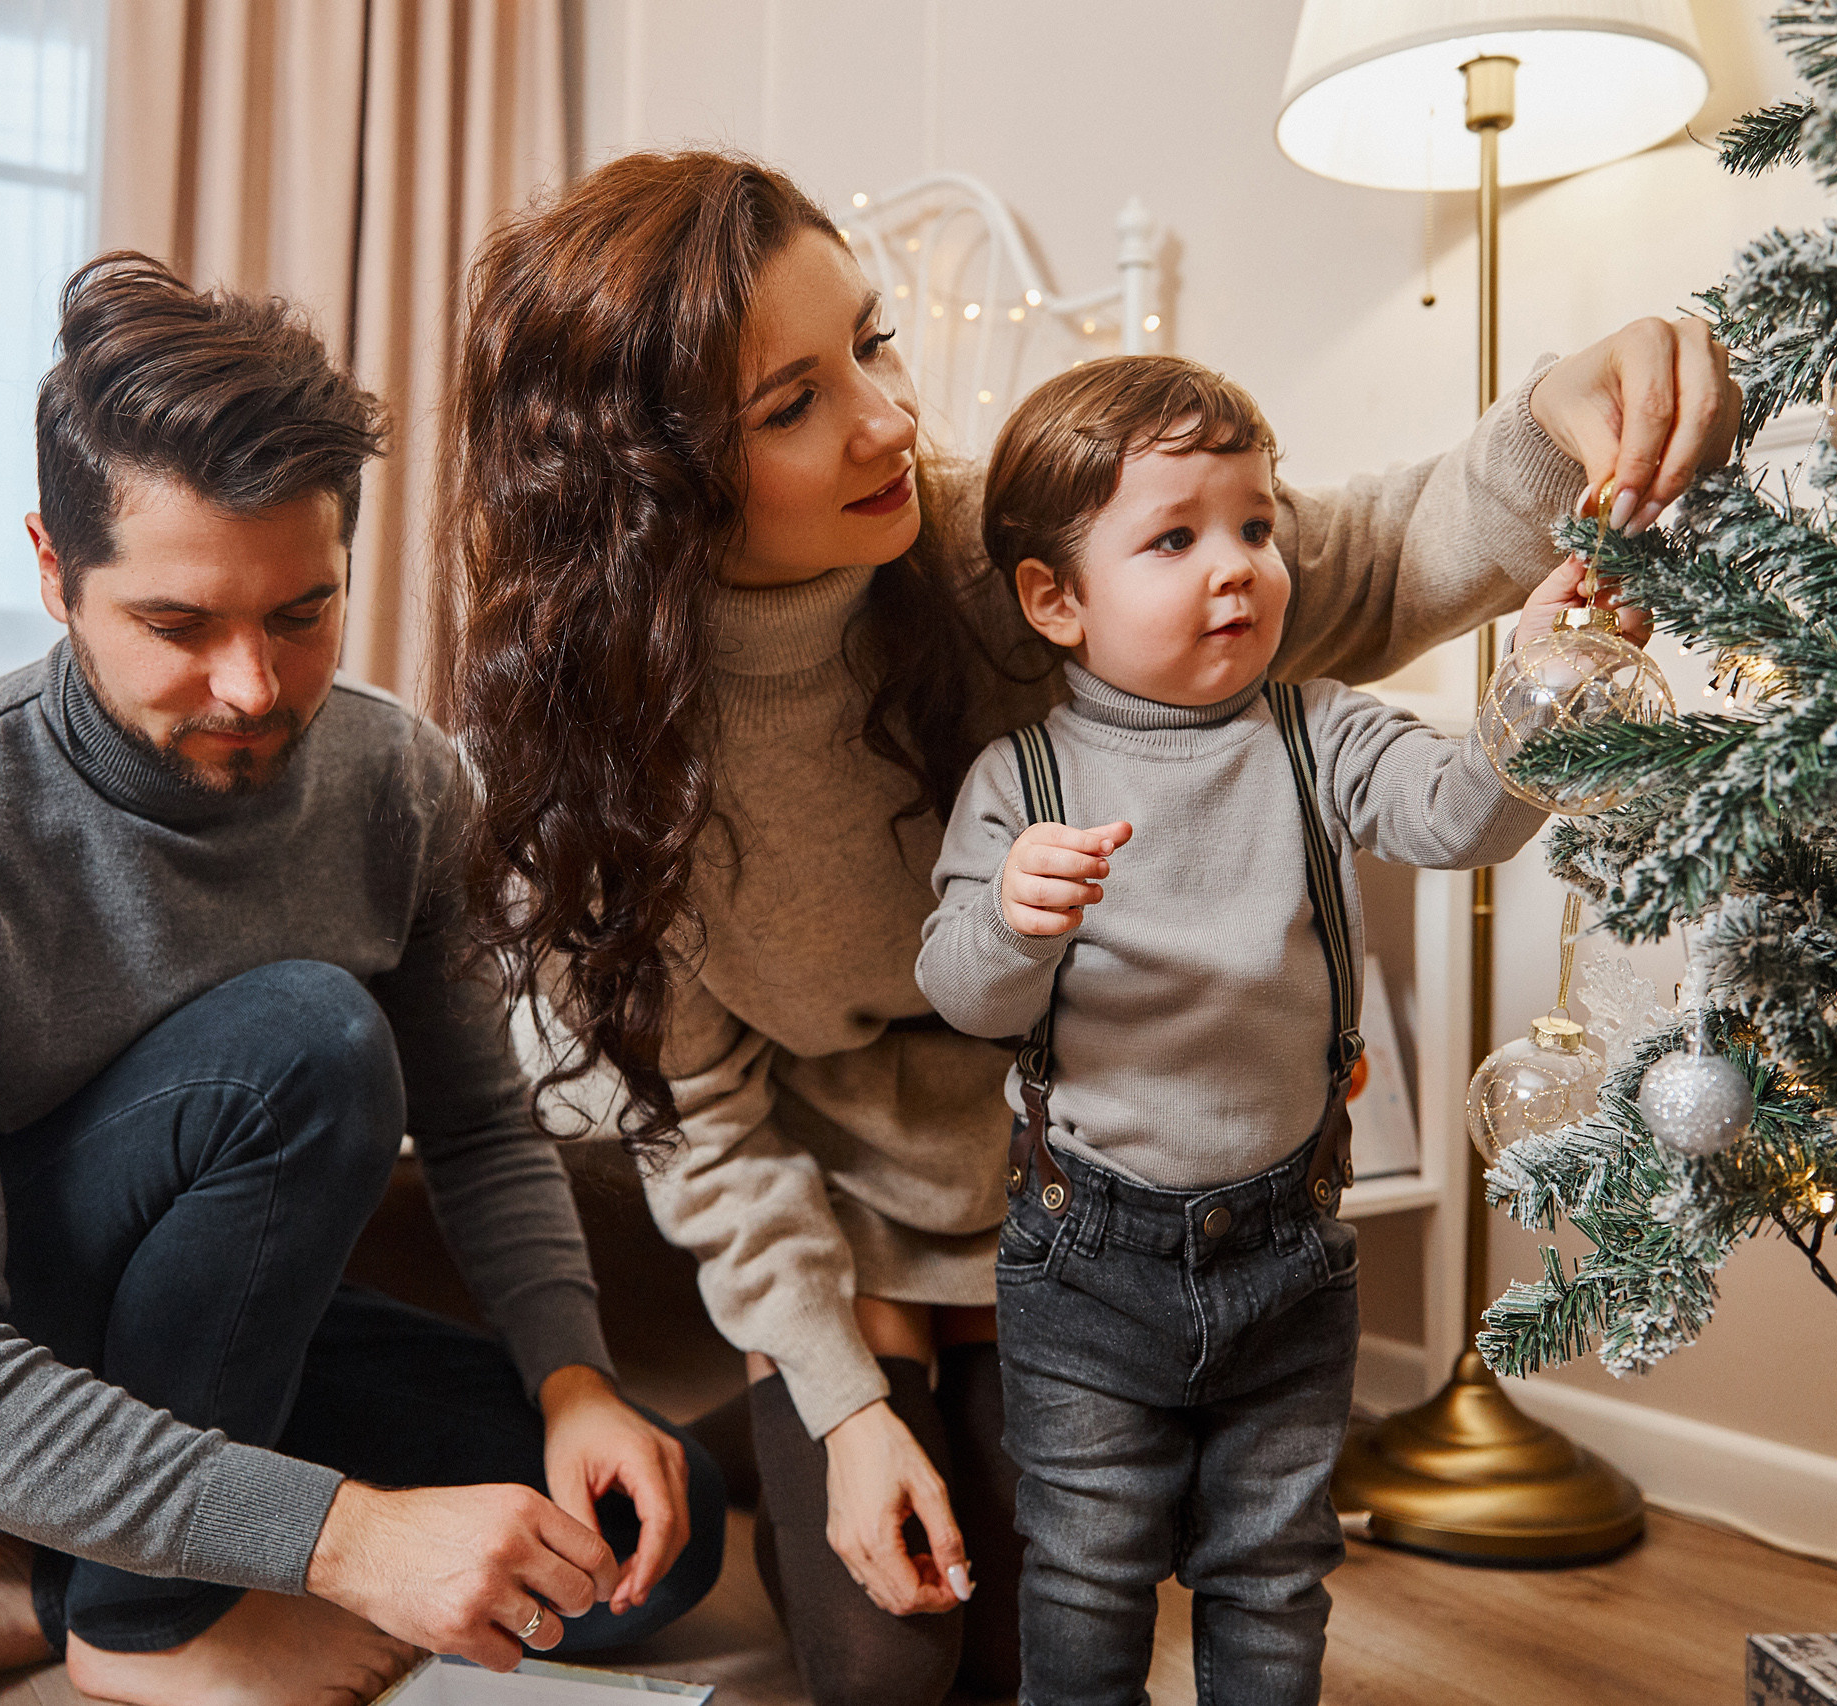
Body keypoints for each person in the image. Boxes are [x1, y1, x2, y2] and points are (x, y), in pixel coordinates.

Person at [435, 149, 1736, 1706]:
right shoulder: (611, 763)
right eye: (793, 405)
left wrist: (1548, 423)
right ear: (646, 484)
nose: (888, 423)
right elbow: (705, 1117)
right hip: (849, 1221)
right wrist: (847, 1410)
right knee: (885, 1664)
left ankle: (839, 1399)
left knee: (1033, 1634)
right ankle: (784, 1406)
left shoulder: (989, 547)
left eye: (873, 343)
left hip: (1075, 1203)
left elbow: (1358, 562)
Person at [0, 254, 724, 1706]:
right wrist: (348, 1540)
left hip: (218, 1325)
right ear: (52, 570)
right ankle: (144, 1623)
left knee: (639, 1545)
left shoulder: (399, 778)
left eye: (301, 614)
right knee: (306, 1041)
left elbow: (481, 1128)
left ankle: (39, 1579)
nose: (254, 687)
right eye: (179, 625)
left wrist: (575, 1376)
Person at [918, 355, 1579, 1705]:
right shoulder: (1020, 778)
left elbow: (1458, 815)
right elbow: (961, 990)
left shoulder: (1317, 729)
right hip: (1088, 1254)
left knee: (1274, 1567)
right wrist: (1015, 918)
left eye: (1258, 527)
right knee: (1088, 1569)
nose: (1239, 567)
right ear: (1056, 597)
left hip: (1288, 1246)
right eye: (1176, 537)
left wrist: (1539, 684)